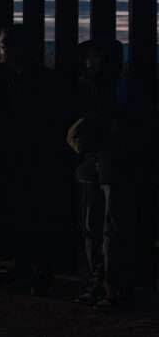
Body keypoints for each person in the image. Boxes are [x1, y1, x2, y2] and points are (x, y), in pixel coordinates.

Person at [0, 24, 69, 296]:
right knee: (26, 213)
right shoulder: (27, 79)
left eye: (2, 45)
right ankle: (29, 267)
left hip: (32, 161)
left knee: (32, 214)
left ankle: (36, 269)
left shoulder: (20, 81)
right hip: (26, 159)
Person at [69, 39, 135, 311]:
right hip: (103, 167)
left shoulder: (107, 91)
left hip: (103, 166)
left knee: (101, 227)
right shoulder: (118, 90)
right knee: (102, 227)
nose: (87, 62)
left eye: (91, 57)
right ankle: (107, 285)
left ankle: (108, 286)